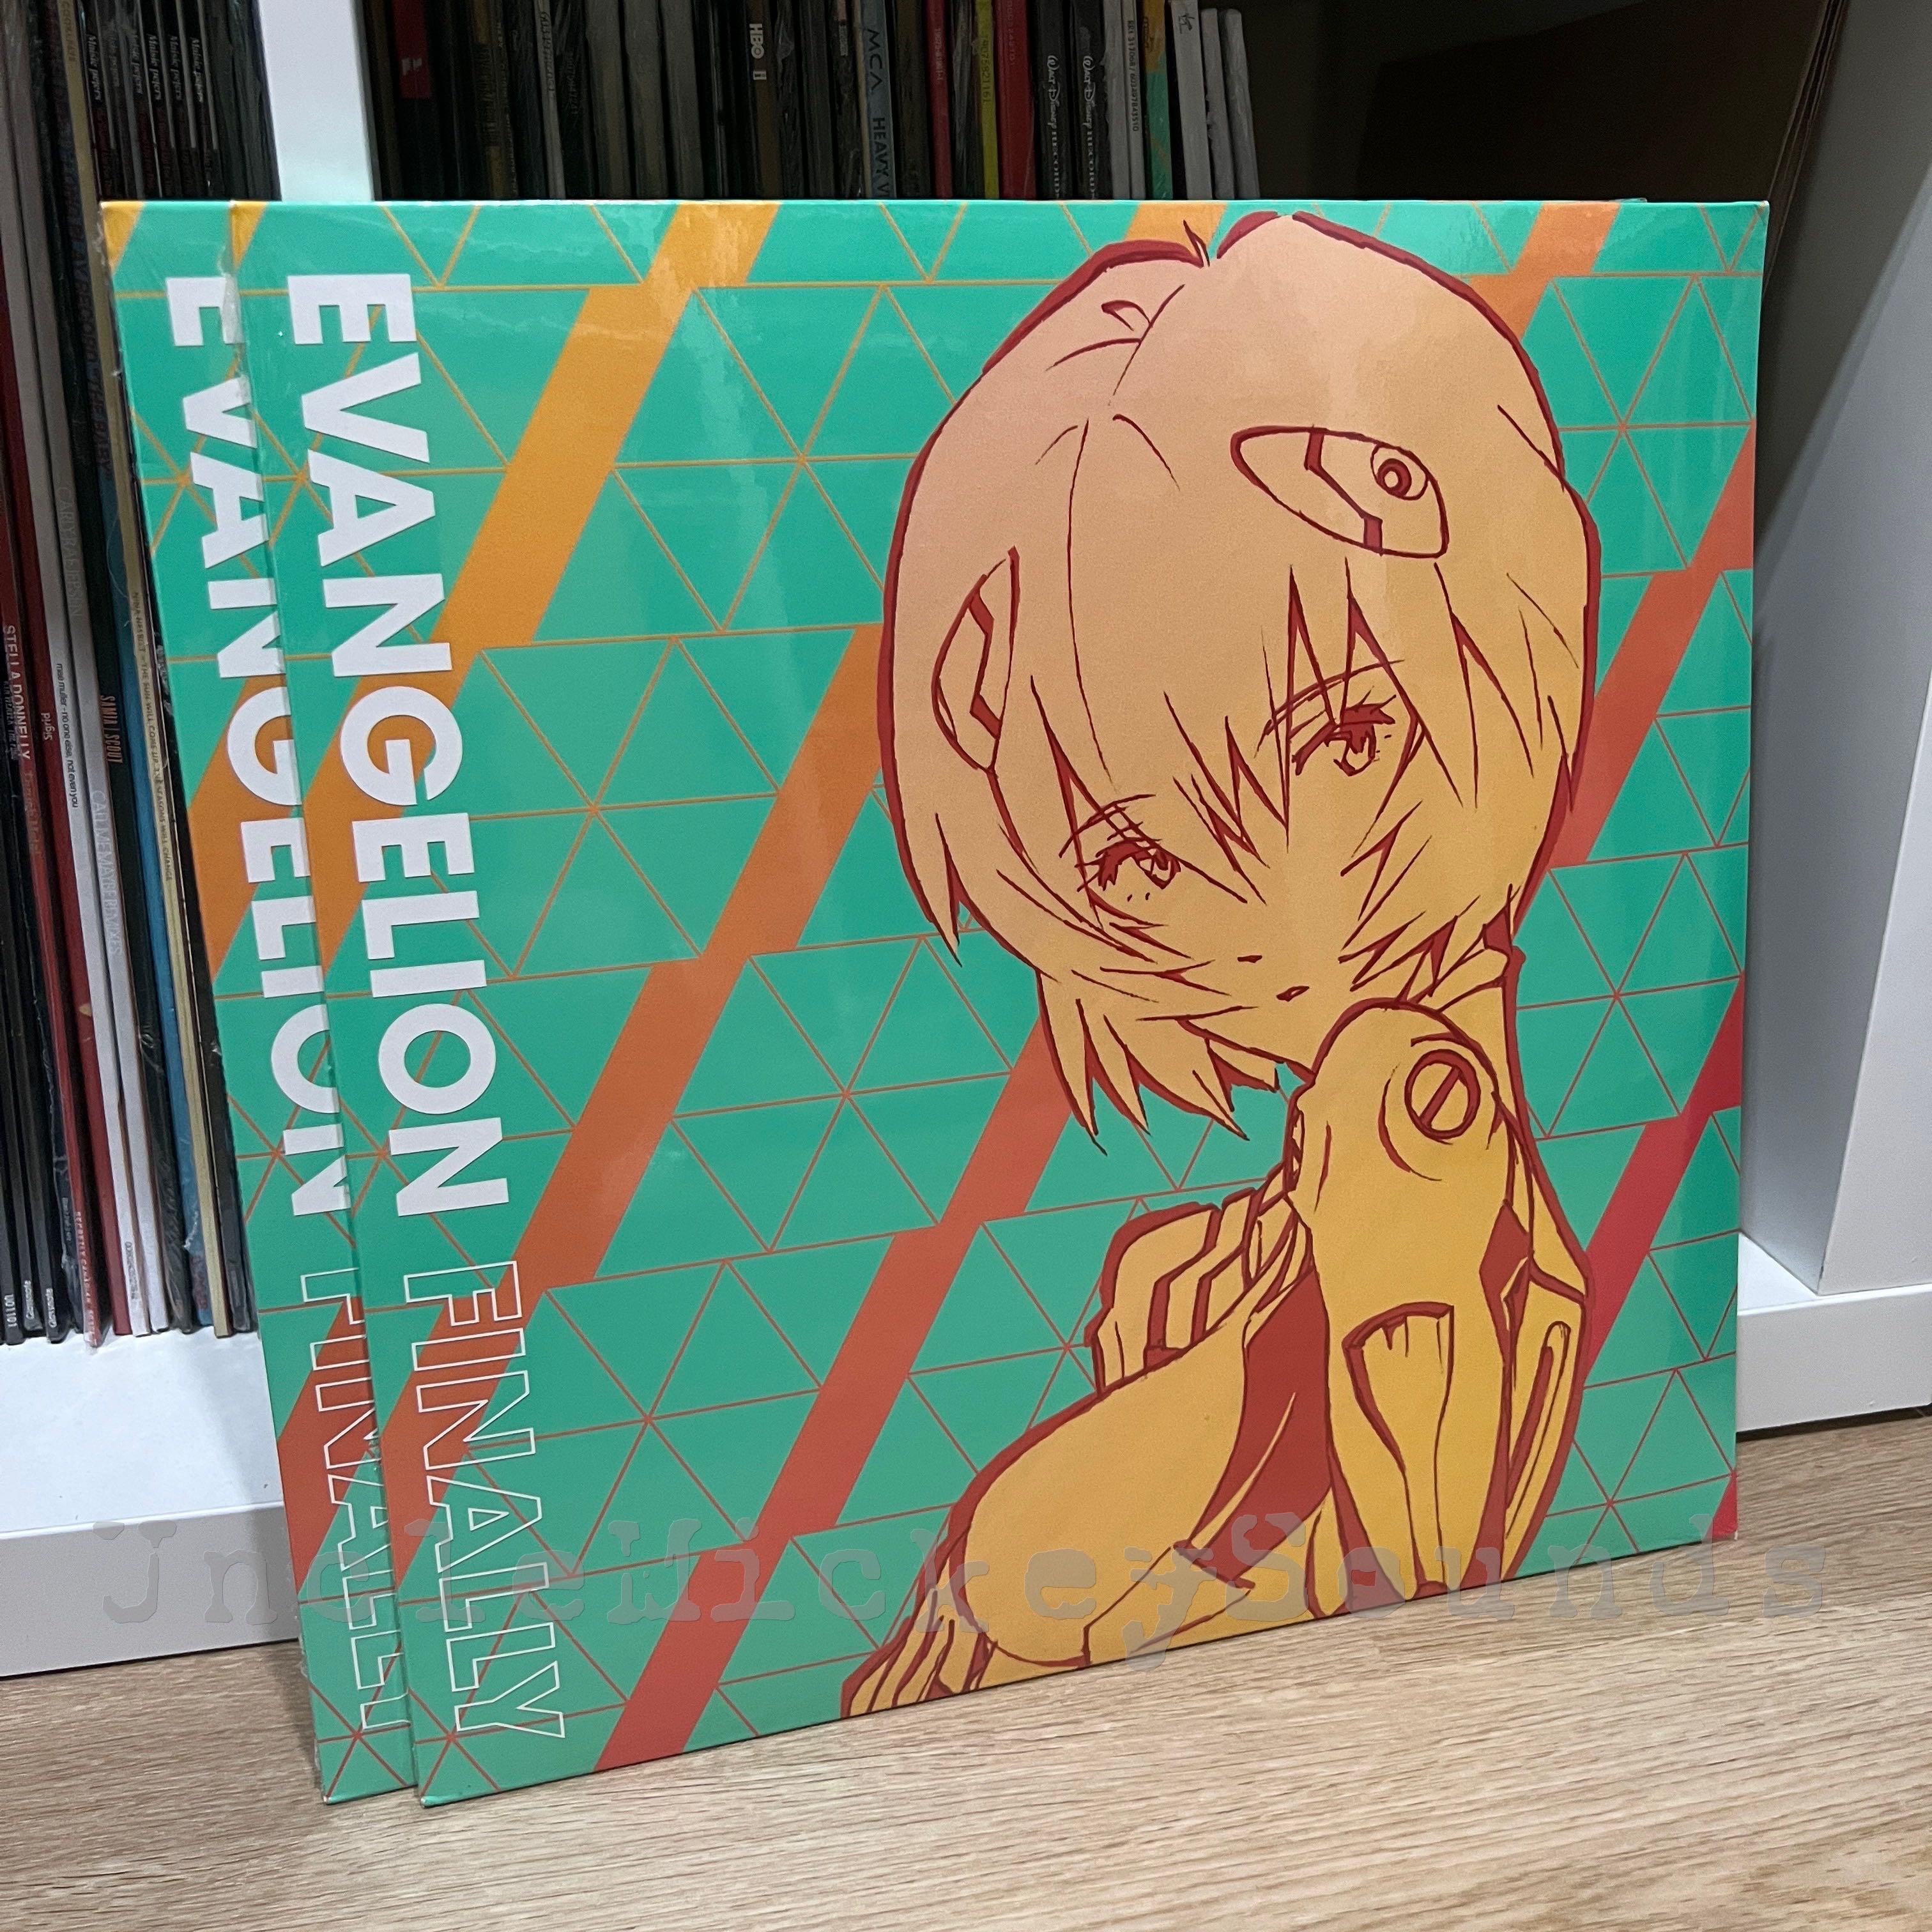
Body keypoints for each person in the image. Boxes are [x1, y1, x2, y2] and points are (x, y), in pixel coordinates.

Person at [847, 211, 1598, 1711]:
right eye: (1133, 862)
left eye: (1346, 738)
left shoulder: (1409, 1149)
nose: (1264, 891)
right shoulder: (1224, 1253)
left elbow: (1415, 1566)